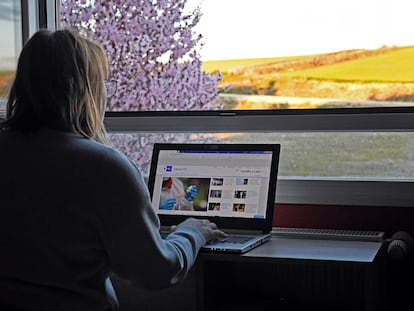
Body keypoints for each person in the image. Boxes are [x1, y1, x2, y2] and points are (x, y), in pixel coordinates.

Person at [0, 28, 226, 311]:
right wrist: (192, 231)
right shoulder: (104, 167)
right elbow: (156, 272)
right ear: (87, 90)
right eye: (103, 83)